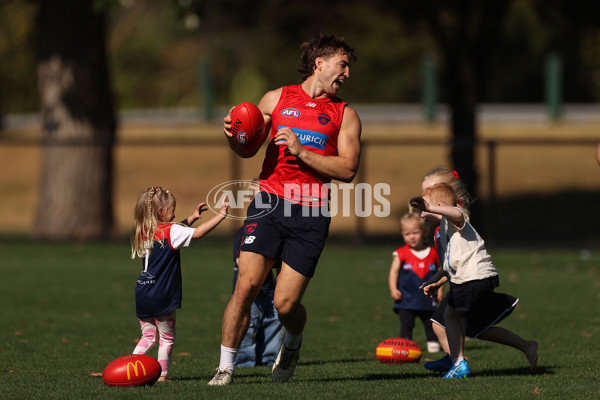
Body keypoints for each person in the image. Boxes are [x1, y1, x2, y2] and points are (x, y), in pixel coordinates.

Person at [208, 34, 361, 386]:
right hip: (268, 202)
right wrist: (234, 133)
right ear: (318, 64)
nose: (347, 73)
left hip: (311, 213)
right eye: (343, 64)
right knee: (245, 286)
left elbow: (349, 170)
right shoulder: (276, 99)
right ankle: (225, 367)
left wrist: (301, 151)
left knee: (285, 305)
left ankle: (292, 340)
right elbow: (247, 149)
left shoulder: (345, 115)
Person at [418, 166, 538, 375]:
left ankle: (456, 362)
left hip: (472, 280)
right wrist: (437, 279)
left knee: (447, 319)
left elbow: (456, 213)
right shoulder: (442, 230)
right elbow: (453, 263)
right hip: (468, 279)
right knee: (474, 327)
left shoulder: (456, 217)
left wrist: (435, 209)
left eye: (427, 200)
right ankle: (526, 346)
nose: (422, 208)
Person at [130, 186, 229, 381]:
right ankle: (162, 375)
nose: (175, 212)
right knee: (166, 338)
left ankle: (130, 366)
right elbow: (196, 234)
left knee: (148, 337)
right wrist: (221, 216)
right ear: (161, 212)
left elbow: (175, 232)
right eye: (172, 208)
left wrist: (191, 218)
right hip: (162, 295)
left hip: (142, 293)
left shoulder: (144, 230)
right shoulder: (172, 231)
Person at [388, 212, 442, 353]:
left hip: (427, 298)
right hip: (406, 298)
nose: (411, 237)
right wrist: (394, 290)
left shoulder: (433, 252)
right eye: (407, 234)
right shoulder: (400, 253)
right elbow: (393, 272)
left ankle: (433, 345)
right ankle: (405, 347)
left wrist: (440, 291)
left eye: (415, 232)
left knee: (431, 323)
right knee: (406, 324)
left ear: (424, 232)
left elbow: (440, 272)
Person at [232, 225, 285, 366]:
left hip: (269, 289)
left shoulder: (272, 231)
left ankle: (269, 358)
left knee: (275, 321)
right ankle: (244, 361)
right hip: (248, 291)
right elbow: (240, 260)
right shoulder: (245, 231)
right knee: (247, 325)